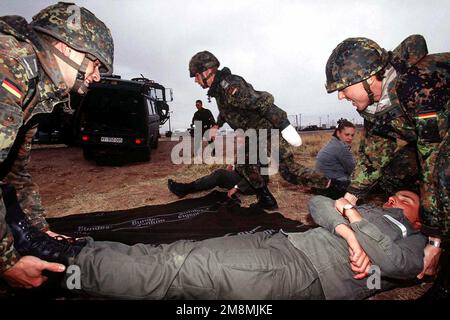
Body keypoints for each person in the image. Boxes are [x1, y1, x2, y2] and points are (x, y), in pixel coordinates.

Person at [5, 187, 426, 299]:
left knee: (177, 268)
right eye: (393, 195)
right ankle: (69, 266)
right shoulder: (365, 212)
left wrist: (352, 225)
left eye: (405, 200)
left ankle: (63, 260)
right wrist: (348, 224)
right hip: (280, 244)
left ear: (418, 216)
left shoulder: (416, 240)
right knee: (177, 259)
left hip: (303, 274)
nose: (394, 200)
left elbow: (401, 267)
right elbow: (318, 203)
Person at [325, 35, 449, 299]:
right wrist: (350, 197)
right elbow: (374, 154)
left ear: (369, 78)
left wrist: (435, 239)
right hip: (439, 148)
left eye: (344, 87)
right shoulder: (376, 104)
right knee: (396, 171)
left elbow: (435, 163)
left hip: (442, 151)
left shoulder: (419, 86)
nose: (340, 96)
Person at [0, 2, 114, 289]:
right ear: (66, 47)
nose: (97, 76)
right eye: (95, 63)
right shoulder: (9, 65)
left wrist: (39, 231)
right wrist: (6, 261)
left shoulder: (36, 89)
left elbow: (14, 174)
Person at [188, 51, 339, 210]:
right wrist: (217, 125)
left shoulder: (231, 85)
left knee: (288, 171)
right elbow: (226, 111)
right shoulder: (219, 90)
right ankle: (266, 199)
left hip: (267, 130)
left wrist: (284, 124)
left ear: (207, 71)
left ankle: (334, 186)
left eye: (196, 76)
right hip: (252, 134)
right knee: (245, 165)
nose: (196, 81)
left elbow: (262, 102)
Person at [168, 164, 267, 199]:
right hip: (245, 179)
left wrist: (236, 188)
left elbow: (255, 175)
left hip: (253, 185)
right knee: (218, 176)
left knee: (219, 174)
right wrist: (234, 169)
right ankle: (187, 188)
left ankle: (185, 188)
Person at [315, 118, 356, 198]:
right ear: (338, 133)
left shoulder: (332, 143)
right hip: (334, 187)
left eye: (352, 135)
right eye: (347, 135)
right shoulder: (341, 148)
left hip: (321, 184)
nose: (350, 138)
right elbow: (354, 170)